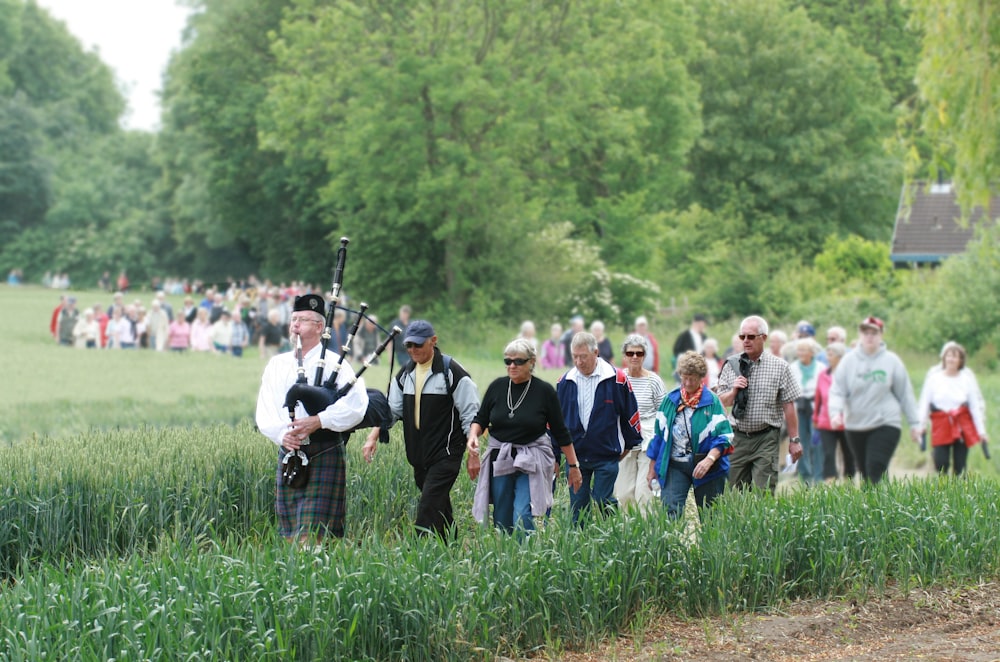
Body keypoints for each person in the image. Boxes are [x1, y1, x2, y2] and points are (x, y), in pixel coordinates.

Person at [255, 293, 369, 543]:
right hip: (290, 453)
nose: (295, 325)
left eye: (303, 320)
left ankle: (315, 579)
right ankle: (301, 580)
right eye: (293, 319)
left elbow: (357, 406)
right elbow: (265, 409)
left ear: (319, 327)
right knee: (290, 536)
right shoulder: (277, 364)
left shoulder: (334, 364)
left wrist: (320, 420)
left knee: (312, 537)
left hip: (323, 448)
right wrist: (281, 434)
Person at [361, 320, 480, 540]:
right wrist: (372, 436)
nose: (413, 350)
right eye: (409, 346)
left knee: (427, 506)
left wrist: (473, 453)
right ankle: (450, 548)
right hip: (417, 455)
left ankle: (415, 555)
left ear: (433, 341)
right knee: (438, 505)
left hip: (446, 453)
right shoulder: (405, 373)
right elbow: (392, 411)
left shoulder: (451, 371)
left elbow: (472, 414)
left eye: (418, 345)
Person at [466, 338, 583, 535]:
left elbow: (561, 431)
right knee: (502, 517)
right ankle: (508, 558)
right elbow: (481, 418)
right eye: (508, 361)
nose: (512, 366)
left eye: (518, 361)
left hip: (532, 458)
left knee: (522, 514)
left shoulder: (544, 391)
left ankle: (525, 555)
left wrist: (573, 466)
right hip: (501, 457)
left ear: (531, 362)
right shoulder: (497, 387)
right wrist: (473, 436)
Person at [556, 331, 642, 523]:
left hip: (606, 454)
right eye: (575, 357)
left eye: (583, 356)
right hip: (575, 457)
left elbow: (630, 413)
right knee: (578, 506)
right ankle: (579, 545)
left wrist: (627, 445)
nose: (579, 362)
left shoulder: (616, 379)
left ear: (596, 353)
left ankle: (614, 536)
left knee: (603, 499)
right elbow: (556, 422)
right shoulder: (565, 382)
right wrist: (555, 453)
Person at [828, 316, 921, 485]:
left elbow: (905, 394)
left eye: (874, 333)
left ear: (881, 335)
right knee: (865, 472)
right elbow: (837, 390)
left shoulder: (891, 361)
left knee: (875, 467)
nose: (870, 336)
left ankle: (879, 509)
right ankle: (876, 506)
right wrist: (835, 413)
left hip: (885, 422)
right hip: (855, 425)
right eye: (866, 332)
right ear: (860, 335)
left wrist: (915, 423)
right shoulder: (849, 361)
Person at [716, 316, 802, 495]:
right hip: (737, 437)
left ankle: (764, 523)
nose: (746, 341)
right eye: (742, 337)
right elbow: (721, 401)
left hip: (766, 438)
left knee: (764, 491)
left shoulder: (780, 367)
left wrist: (794, 440)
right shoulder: (731, 365)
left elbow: (788, 405)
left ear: (763, 337)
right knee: (733, 492)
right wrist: (733, 391)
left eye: (751, 336)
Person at [646, 351, 733, 519]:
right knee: (670, 512)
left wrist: (709, 460)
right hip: (675, 465)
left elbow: (725, 437)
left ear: (701, 378)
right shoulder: (671, 401)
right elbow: (658, 436)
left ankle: (709, 546)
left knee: (710, 516)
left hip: (707, 467)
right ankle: (671, 544)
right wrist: (652, 469)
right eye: (684, 377)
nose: (687, 382)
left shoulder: (712, 402)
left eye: (692, 378)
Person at [917, 341, 989, 475]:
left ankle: (958, 492)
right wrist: (921, 425)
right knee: (941, 463)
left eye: (955, 356)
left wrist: (982, 431)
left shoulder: (966, 379)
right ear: (944, 358)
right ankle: (943, 492)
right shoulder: (934, 378)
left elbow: (974, 407)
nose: (951, 359)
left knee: (960, 465)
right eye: (948, 356)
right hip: (940, 423)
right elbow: (924, 403)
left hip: (961, 423)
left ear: (960, 360)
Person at [613, 334, 667, 512]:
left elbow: (664, 414)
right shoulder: (618, 379)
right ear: (624, 356)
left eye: (639, 353)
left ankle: (646, 533)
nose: (634, 357)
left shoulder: (654, 380)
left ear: (644, 355)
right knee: (623, 493)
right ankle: (627, 533)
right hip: (625, 440)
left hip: (648, 439)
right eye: (630, 353)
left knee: (644, 494)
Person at [813, 342, 855, 483]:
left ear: (840, 357)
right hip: (826, 421)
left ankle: (849, 481)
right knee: (829, 453)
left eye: (830, 354)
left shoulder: (850, 375)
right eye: (827, 354)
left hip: (847, 422)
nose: (827, 357)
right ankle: (830, 482)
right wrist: (815, 418)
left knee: (848, 454)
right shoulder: (822, 375)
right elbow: (818, 397)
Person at [789, 338, 824, 486]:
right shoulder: (792, 367)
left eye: (804, 350)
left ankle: (819, 476)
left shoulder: (821, 368)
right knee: (800, 442)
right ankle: (805, 476)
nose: (801, 353)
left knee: (817, 442)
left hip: (816, 407)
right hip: (798, 407)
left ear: (811, 352)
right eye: (799, 350)